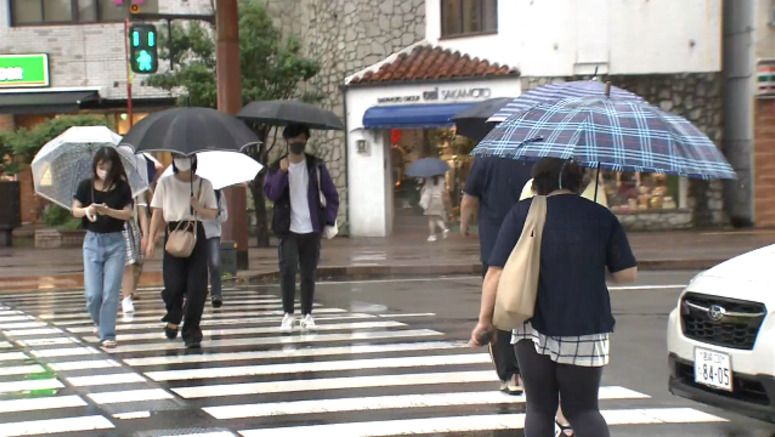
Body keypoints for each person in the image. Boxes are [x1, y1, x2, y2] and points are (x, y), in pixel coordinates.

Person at [470, 158, 638, 437]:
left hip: (531, 323)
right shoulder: (600, 215)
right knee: (584, 410)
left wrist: (484, 322)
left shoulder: (522, 213)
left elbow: (495, 272)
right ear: (578, 181)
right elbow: (626, 275)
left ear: (537, 182)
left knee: (538, 409)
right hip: (586, 325)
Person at [460, 156, 532, 395]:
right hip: (530, 242)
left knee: (500, 310)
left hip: (495, 244)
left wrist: (464, 224)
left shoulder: (486, 159)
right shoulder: (537, 157)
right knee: (532, 305)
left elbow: (469, 198)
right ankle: (533, 370)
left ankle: (511, 374)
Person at [264, 123, 340, 333]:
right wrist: (281, 173)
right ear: (286, 141)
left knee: (308, 273)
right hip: (288, 229)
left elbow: (332, 195)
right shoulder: (275, 167)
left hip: (311, 228)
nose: (297, 143)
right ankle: (288, 314)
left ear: (306, 140)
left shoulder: (316, 166)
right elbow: (271, 194)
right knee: (287, 270)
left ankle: (307, 314)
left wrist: (329, 219)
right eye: (293, 139)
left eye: (301, 139)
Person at [146, 154, 217, 349]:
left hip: (196, 234)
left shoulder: (204, 184)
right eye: (177, 156)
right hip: (173, 233)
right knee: (173, 285)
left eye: (186, 157)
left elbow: (213, 213)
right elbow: (157, 212)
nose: (182, 160)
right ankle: (175, 313)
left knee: (197, 287)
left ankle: (191, 331)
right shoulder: (165, 183)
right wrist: (151, 239)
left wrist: (198, 207)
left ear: (193, 160)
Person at [72, 147, 133, 348]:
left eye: (107, 166)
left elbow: (127, 214)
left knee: (110, 292)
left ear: (114, 167)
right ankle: (99, 321)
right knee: (93, 294)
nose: (104, 170)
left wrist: (109, 211)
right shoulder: (85, 186)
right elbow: (75, 210)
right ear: (95, 165)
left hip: (115, 242)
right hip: (92, 242)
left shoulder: (122, 187)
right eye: (100, 166)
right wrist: (87, 210)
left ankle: (108, 333)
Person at [120, 191, 150, 314]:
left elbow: (142, 213)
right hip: (109, 231)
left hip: (130, 229)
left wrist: (146, 235)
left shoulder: (136, 189)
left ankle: (128, 294)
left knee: (133, 264)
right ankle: (126, 293)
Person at [203, 189, 228, 308]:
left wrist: (217, 213)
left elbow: (225, 216)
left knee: (215, 264)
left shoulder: (218, 193)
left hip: (213, 234)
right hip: (196, 233)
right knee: (197, 266)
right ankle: (198, 292)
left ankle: (216, 294)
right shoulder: (193, 191)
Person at [419, 175, 450, 242]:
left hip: (431, 200)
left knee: (431, 219)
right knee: (437, 217)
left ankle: (432, 235)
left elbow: (425, 190)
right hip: (439, 200)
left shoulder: (428, 179)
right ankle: (444, 229)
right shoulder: (442, 180)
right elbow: (444, 191)